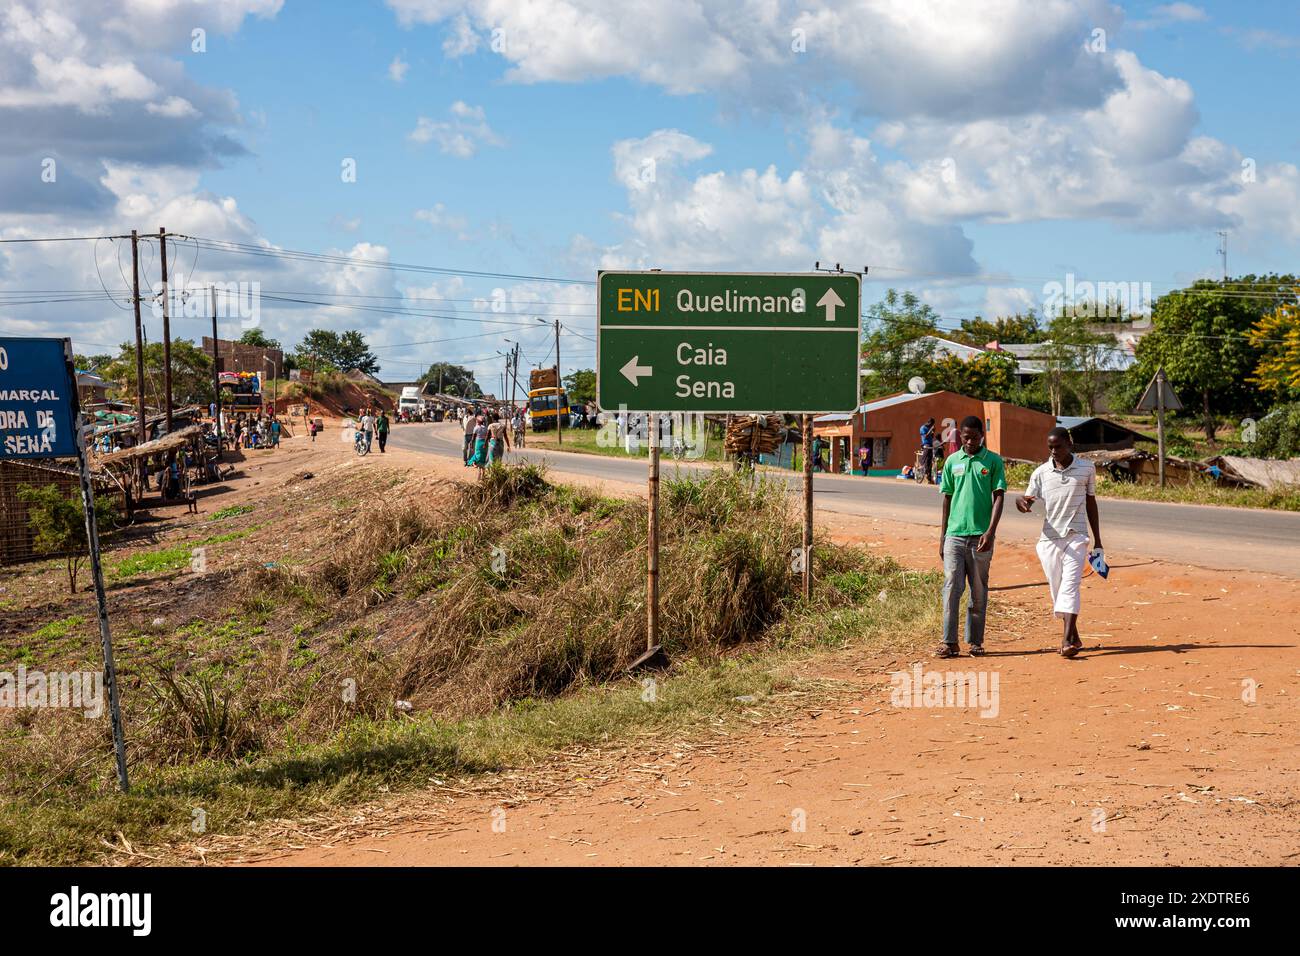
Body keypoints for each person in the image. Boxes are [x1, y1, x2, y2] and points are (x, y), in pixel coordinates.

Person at [1016, 427, 1104, 659]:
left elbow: (1091, 503)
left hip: (1077, 536)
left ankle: (1065, 641)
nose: (1054, 451)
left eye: (1058, 447)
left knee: (1070, 585)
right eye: (1051, 448)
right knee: (1057, 590)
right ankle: (1074, 635)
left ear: (1069, 444)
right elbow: (1026, 499)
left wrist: (1098, 540)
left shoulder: (1086, 468)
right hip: (1049, 540)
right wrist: (1021, 503)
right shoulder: (1041, 473)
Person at [936, 415, 1006, 658]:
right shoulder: (952, 461)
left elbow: (999, 496)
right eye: (966, 437)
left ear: (981, 436)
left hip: (981, 537)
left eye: (974, 437)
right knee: (951, 588)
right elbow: (946, 498)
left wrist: (991, 531)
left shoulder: (993, 461)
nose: (970, 442)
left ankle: (975, 641)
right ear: (960, 436)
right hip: (954, 535)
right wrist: (942, 536)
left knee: (978, 591)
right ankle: (949, 642)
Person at [919, 417, 936, 484]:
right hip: (926, 444)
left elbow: (931, 437)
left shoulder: (929, 428)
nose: (931, 426)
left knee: (929, 461)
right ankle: (921, 465)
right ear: (929, 423)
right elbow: (925, 436)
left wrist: (933, 432)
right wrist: (930, 430)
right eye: (931, 424)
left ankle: (929, 478)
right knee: (926, 456)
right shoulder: (922, 428)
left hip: (930, 444)